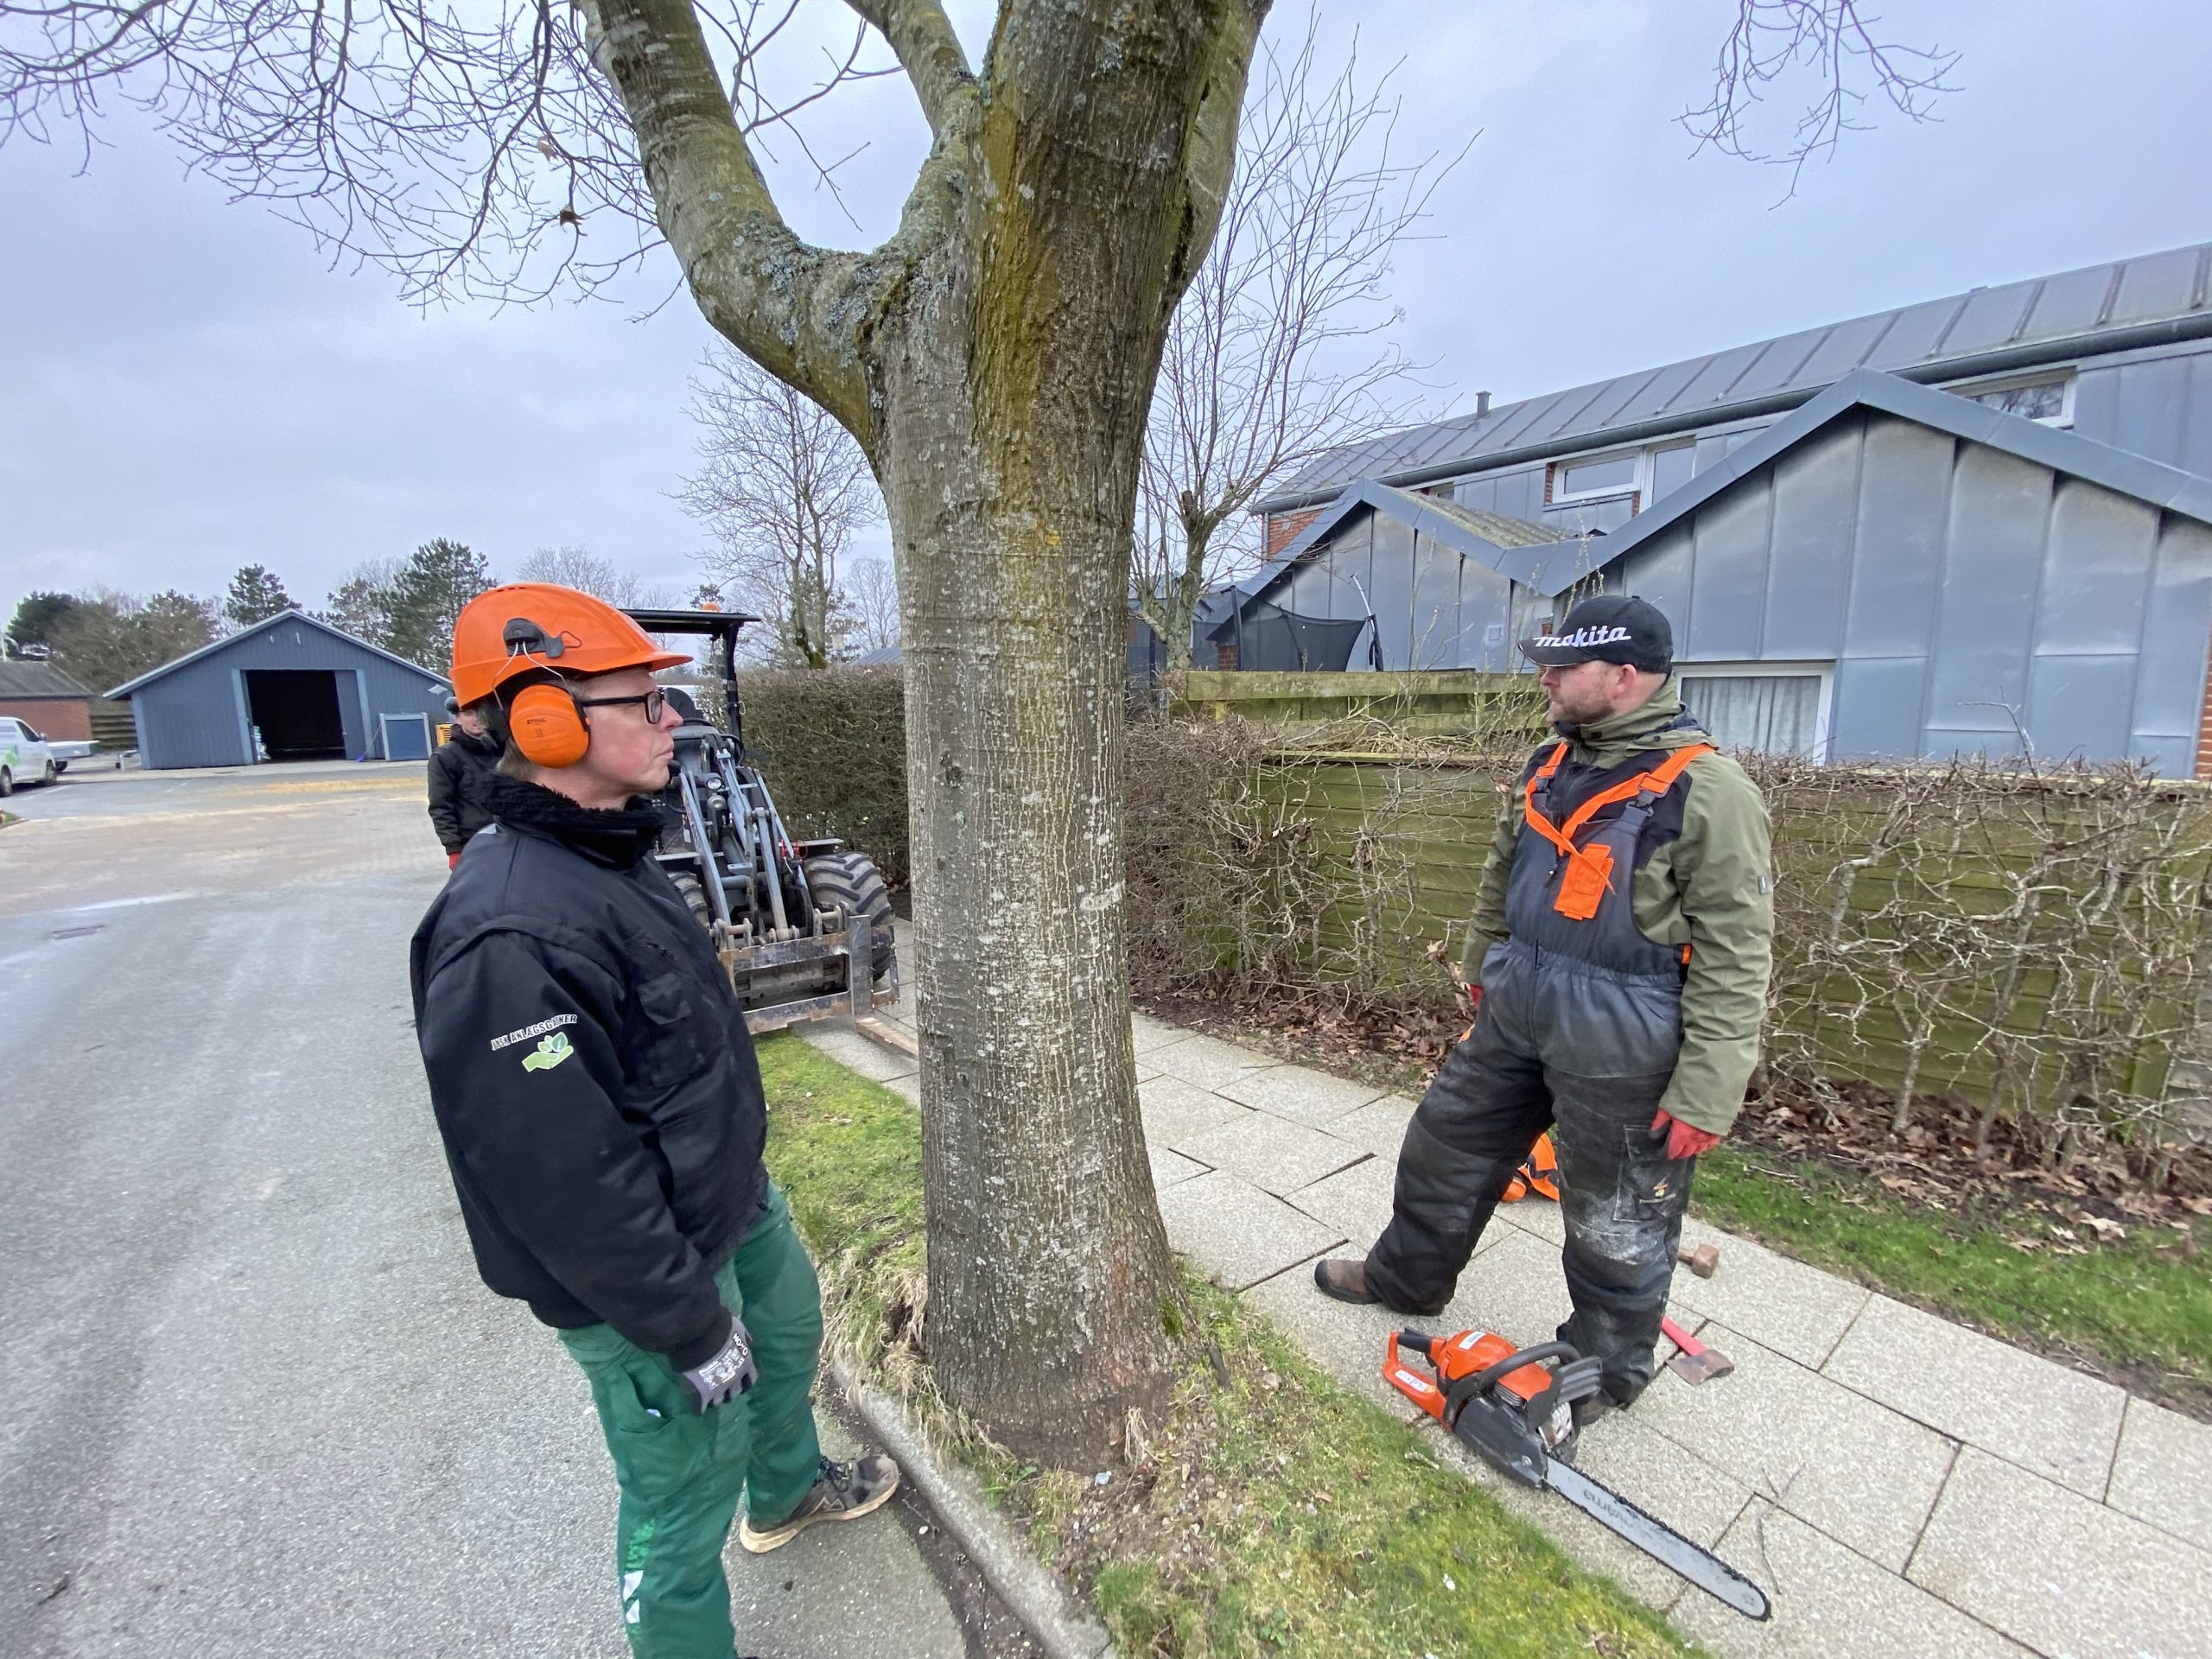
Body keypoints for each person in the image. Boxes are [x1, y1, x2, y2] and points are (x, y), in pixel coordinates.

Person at [410, 582, 899, 1658]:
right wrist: (684, 1325)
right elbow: (561, 1180)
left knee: (787, 1339)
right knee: (681, 1491)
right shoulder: (507, 935)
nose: (672, 718)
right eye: (643, 701)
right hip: (644, 1275)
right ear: (547, 719)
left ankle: (788, 1491)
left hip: (727, 1207)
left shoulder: (609, 855)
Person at [1313, 594, 1774, 1421]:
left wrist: (1709, 1091)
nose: (1545, 679)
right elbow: (1504, 868)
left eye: (1564, 666)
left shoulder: (1709, 791)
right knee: (1444, 1146)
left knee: (1616, 1218)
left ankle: (1603, 1371)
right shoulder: (1551, 761)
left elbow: (1739, 953)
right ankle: (1405, 1279)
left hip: (1625, 1032)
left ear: (1623, 677)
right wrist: (1482, 964)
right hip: (1518, 1006)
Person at [425, 694, 500, 868]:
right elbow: (440, 806)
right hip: (472, 843)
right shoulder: (445, 757)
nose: (477, 718)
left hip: (508, 837)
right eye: (469, 713)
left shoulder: (505, 751)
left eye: (482, 712)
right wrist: (453, 848)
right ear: (457, 718)